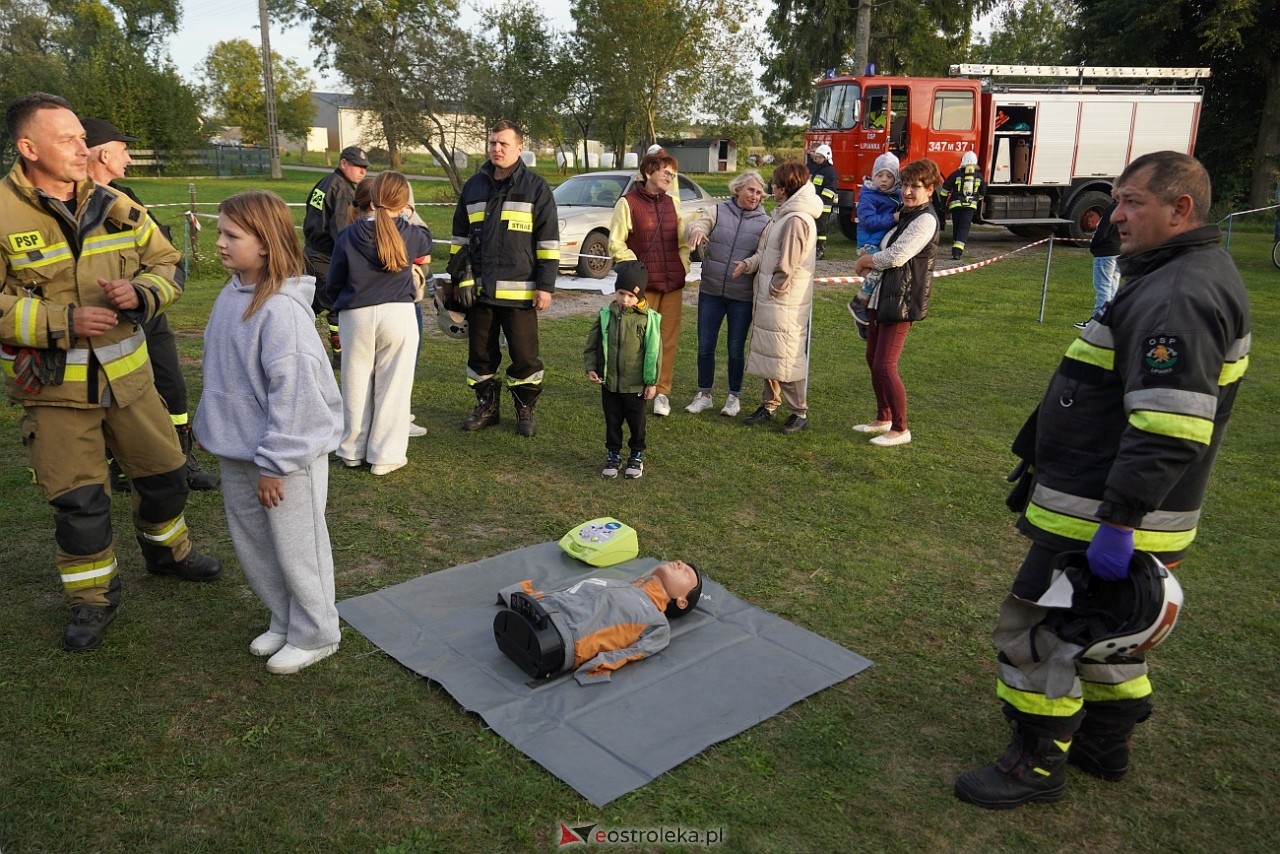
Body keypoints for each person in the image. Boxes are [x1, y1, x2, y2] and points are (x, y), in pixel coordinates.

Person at [954, 152, 1252, 809]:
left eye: (1134, 202)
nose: (1116, 214)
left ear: (1182, 210)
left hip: (1104, 517)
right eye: (1116, 200)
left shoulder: (1179, 293)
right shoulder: (1179, 273)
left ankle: (1035, 764)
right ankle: (1103, 743)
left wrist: (1117, 526)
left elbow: (1168, 429)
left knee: (1033, 635)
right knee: (1101, 635)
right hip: (1117, 511)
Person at [0, 92, 221, 652]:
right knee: (80, 504)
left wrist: (142, 292)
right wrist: (63, 321)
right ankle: (92, 599)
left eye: (82, 136)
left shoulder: (116, 203)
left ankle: (168, 554)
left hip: (131, 383)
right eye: (68, 139)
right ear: (28, 148)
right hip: (55, 392)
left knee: (166, 478)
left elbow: (167, 262)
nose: (83, 148)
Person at [194, 190, 344, 675]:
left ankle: (318, 632)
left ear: (264, 243)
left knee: (298, 547)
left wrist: (275, 463)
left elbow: (295, 396)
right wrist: (210, 425)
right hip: (239, 453)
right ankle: (285, 619)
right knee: (256, 546)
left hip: (282, 460)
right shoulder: (231, 293)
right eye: (219, 232)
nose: (219, 242)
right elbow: (223, 374)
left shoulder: (281, 313)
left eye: (231, 235)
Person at [81, 116, 220, 492]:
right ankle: (117, 464)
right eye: (123, 149)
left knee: (171, 386)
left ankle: (181, 458)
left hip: (145, 312)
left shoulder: (126, 198)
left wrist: (143, 293)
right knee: (102, 395)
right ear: (103, 152)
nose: (128, 158)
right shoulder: (56, 207)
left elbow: (165, 256)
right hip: (91, 327)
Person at [450, 120, 558, 437]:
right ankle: (486, 406)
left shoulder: (536, 188)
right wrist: (458, 279)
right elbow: (459, 240)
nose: (496, 148)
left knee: (525, 357)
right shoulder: (473, 187)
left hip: (521, 293)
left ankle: (524, 410)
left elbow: (548, 242)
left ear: (520, 148)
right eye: (493, 142)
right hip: (480, 293)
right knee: (480, 356)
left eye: (504, 144)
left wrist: (545, 287)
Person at [327, 172, 431, 476]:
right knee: (394, 385)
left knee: (355, 382)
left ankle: (351, 449)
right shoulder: (408, 232)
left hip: (355, 313)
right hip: (397, 313)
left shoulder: (349, 234)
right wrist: (408, 213)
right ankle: (385, 454)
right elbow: (426, 240)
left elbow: (334, 280)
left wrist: (340, 302)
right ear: (403, 202)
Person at [850, 158, 942, 447]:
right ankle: (883, 418)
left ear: (930, 189)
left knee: (885, 365)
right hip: (883, 297)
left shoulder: (925, 219)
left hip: (901, 301)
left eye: (916, 186)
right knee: (872, 359)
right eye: (906, 185)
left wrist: (866, 260)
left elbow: (896, 256)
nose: (908, 191)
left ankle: (901, 428)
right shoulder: (907, 214)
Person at [494, 560, 701, 685]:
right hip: (545, 610)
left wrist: (596, 668)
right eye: (681, 563)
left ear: (682, 602)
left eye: (686, 573)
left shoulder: (657, 623)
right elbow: (571, 590)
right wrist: (524, 596)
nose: (680, 564)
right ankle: (533, 613)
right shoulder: (622, 584)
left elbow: (634, 652)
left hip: (560, 638)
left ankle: (534, 628)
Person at [734, 160, 823, 435]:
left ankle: (799, 411)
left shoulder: (796, 219)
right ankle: (769, 404)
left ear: (785, 188)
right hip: (772, 299)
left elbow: (788, 264)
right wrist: (749, 265)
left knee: (786, 356)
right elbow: (767, 252)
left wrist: (774, 290)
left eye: (774, 183)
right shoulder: (783, 214)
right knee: (770, 352)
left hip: (783, 301)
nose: (771, 187)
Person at [609, 151, 691, 417]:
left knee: (667, 340)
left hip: (672, 285)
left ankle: (662, 392)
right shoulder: (627, 203)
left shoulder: (674, 203)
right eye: (664, 170)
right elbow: (616, 243)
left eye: (672, 172)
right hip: (644, 288)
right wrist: (636, 270)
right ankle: (637, 389)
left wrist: (683, 266)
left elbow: (681, 243)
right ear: (648, 173)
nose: (669, 176)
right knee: (640, 341)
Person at [684, 169, 769, 417]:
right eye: (750, 190)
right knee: (705, 345)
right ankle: (704, 394)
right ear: (737, 190)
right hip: (711, 291)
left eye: (758, 192)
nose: (755, 195)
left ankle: (733, 397)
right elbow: (699, 223)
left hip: (741, 296)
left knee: (735, 348)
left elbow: (762, 254)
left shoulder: (765, 222)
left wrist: (749, 264)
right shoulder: (718, 211)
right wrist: (697, 230)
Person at [584, 261, 661, 480]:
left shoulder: (648, 320)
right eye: (621, 293)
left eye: (630, 296)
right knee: (612, 421)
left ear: (639, 297)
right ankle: (613, 454)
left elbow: (655, 353)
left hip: (635, 385)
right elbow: (592, 345)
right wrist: (591, 367)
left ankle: (636, 455)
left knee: (636, 424)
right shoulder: (605, 316)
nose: (625, 299)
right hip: (610, 383)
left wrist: (651, 382)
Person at [303, 145, 370, 366]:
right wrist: (352, 262)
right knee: (337, 306)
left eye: (365, 168)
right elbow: (342, 232)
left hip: (311, 253)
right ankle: (340, 357)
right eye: (358, 166)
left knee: (308, 306)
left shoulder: (324, 183)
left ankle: (299, 344)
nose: (363, 172)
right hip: (326, 257)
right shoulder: (342, 190)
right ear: (343, 163)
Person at [847, 153, 902, 339]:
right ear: (873, 176)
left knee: (880, 281)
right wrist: (893, 218)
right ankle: (858, 302)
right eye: (880, 176)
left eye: (889, 176)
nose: (884, 180)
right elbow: (868, 221)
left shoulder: (898, 194)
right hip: (868, 244)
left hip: (882, 243)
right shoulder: (869, 196)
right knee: (879, 267)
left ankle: (864, 321)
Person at [1076, 199, 1120, 329]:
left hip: (1106, 252)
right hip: (1121, 251)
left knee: (1103, 288)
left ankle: (1098, 320)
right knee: (1113, 287)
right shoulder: (1131, 209)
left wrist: (1093, 246)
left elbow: (1101, 230)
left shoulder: (1113, 209)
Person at [939, 150, 985, 260]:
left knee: (957, 226)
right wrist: (975, 200)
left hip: (956, 206)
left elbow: (944, 190)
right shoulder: (979, 176)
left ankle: (956, 248)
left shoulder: (956, 174)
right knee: (964, 228)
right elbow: (982, 193)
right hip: (969, 207)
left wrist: (943, 204)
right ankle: (957, 252)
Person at [807, 144, 839, 260]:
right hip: (815, 204)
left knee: (820, 229)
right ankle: (813, 250)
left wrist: (819, 200)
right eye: (816, 157)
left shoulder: (830, 172)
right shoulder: (818, 170)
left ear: (826, 157)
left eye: (820, 157)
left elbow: (830, 190)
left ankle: (820, 250)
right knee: (814, 228)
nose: (817, 159)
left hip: (823, 206)